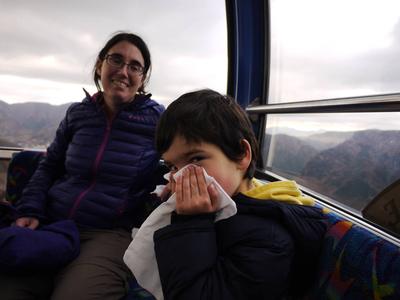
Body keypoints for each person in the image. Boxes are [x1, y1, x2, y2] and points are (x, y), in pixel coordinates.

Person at [0, 32, 165, 300]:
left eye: (135, 66)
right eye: (116, 59)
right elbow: (49, 166)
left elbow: (182, 157)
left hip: (107, 233)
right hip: (53, 223)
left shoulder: (158, 121)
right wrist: (30, 209)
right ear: (100, 66)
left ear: (143, 78)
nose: (124, 71)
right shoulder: (78, 113)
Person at [150, 89, 327, 299]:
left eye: (196, 159)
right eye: (172, 167)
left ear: (242, 155)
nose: (180, 178)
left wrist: (189, 222)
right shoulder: (226, 202)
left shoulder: (269, 240)